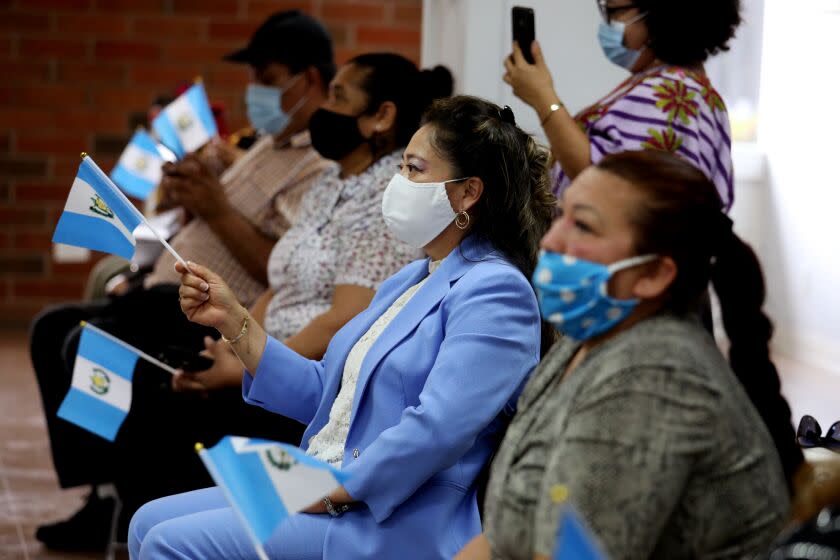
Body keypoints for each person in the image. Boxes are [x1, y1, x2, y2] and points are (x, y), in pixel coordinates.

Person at [128, 95, 556, 560]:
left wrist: (334, 489)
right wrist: (234, 320)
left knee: (169, 543)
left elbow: (437, 429)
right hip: (330, 483)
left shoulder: (496, 289)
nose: (398, 182)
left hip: (391, 516)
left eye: (414, 170)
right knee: (147, 520)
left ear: (468, 192)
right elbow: (329, 394)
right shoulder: (411, 278)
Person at [31, 10, 334, 551]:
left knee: (86, 343)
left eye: (266, 79)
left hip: (215, 308)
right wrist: (187, 192)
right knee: (52, 329)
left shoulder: (318, 164)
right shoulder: (264, 144)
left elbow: (285, 269)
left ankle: (126, 502)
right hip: (173, 290)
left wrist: (215, 209)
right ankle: (101, 496)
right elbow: (209, 214)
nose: (253, 93)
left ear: (308, 80)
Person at [108, 51, 451, 520]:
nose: (323, 110)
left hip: (309, 372)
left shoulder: (387, 200)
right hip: (270, 354)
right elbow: (282, 282)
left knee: (159, 396)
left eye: (337, 96)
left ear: (381, 117)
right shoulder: (332, 182)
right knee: (143, 353)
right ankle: (138, 518)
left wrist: (250, 365)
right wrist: (238, 346)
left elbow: (343, 321)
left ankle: (177, 528)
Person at [456, 150, 801, 560]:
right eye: (561, 214)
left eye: (582, 225)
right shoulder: (583, 343)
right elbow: (502, 537)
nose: (551, 240)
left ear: (653, 273)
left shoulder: (656, 374)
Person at [504, 0, 739, 207]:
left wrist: (544, 98)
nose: (607, 25)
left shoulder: (672, 92)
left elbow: (605, 183)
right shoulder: (688, 88)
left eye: (614, 12)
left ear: (660, 14)